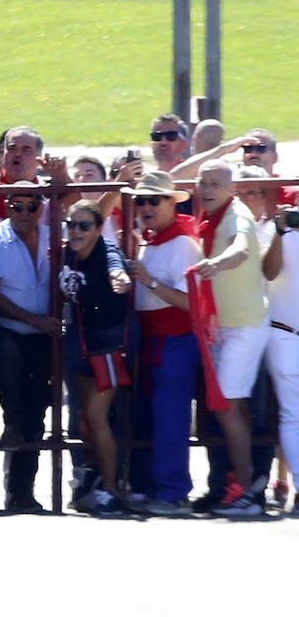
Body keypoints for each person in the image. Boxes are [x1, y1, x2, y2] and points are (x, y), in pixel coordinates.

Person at [192, 160, 269, 518]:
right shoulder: (212, 216)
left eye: (214, 184)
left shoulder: (239, 215)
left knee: (226, 406)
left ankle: (248, 494)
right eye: (202, 183)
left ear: (230, 188)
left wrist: (216, 263)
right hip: (226, 327)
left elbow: (239, 250)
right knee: (232, 407)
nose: (206, 189)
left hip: (243, 327)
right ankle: (247, 485)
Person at [123, 170, 202, 517]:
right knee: (152, 415)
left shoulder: (183, 243)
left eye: (153, 200)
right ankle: (152, 485)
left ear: (171, 202)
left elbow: (191, 302)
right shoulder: (156, 239)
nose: (145, 207)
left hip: (175, 340)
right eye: (141, 200)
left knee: (170, 417)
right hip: (154, 340)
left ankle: (173, 491)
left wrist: (150, 282)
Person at [59, 199, 133, 515]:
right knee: (84, 419)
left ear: (99, 229)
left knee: (96, 414)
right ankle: (95, 477)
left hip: (109, 344)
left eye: (84, 226)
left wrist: (121, 278)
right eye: (72, 224)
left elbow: (118, 268)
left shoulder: (108, 253)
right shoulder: (68, 251)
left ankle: (113, 490)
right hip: (80, 341)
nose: (76, 231)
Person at [0, 180, 54, 512]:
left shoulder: (53, 234)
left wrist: (46, 323)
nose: (24, 213)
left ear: (41, 207)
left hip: (44, 334)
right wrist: (37, 320)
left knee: (36, 413)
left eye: (32, 206)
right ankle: (16, 488)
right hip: (10, 330)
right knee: (14, 409)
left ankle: (21, 493)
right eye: (17, 206)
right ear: (6, 207)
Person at [263, 197, 299, 517]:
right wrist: (279, 231)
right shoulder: (276, 231)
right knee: (291, 415)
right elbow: (269, 272)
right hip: (285, 333)